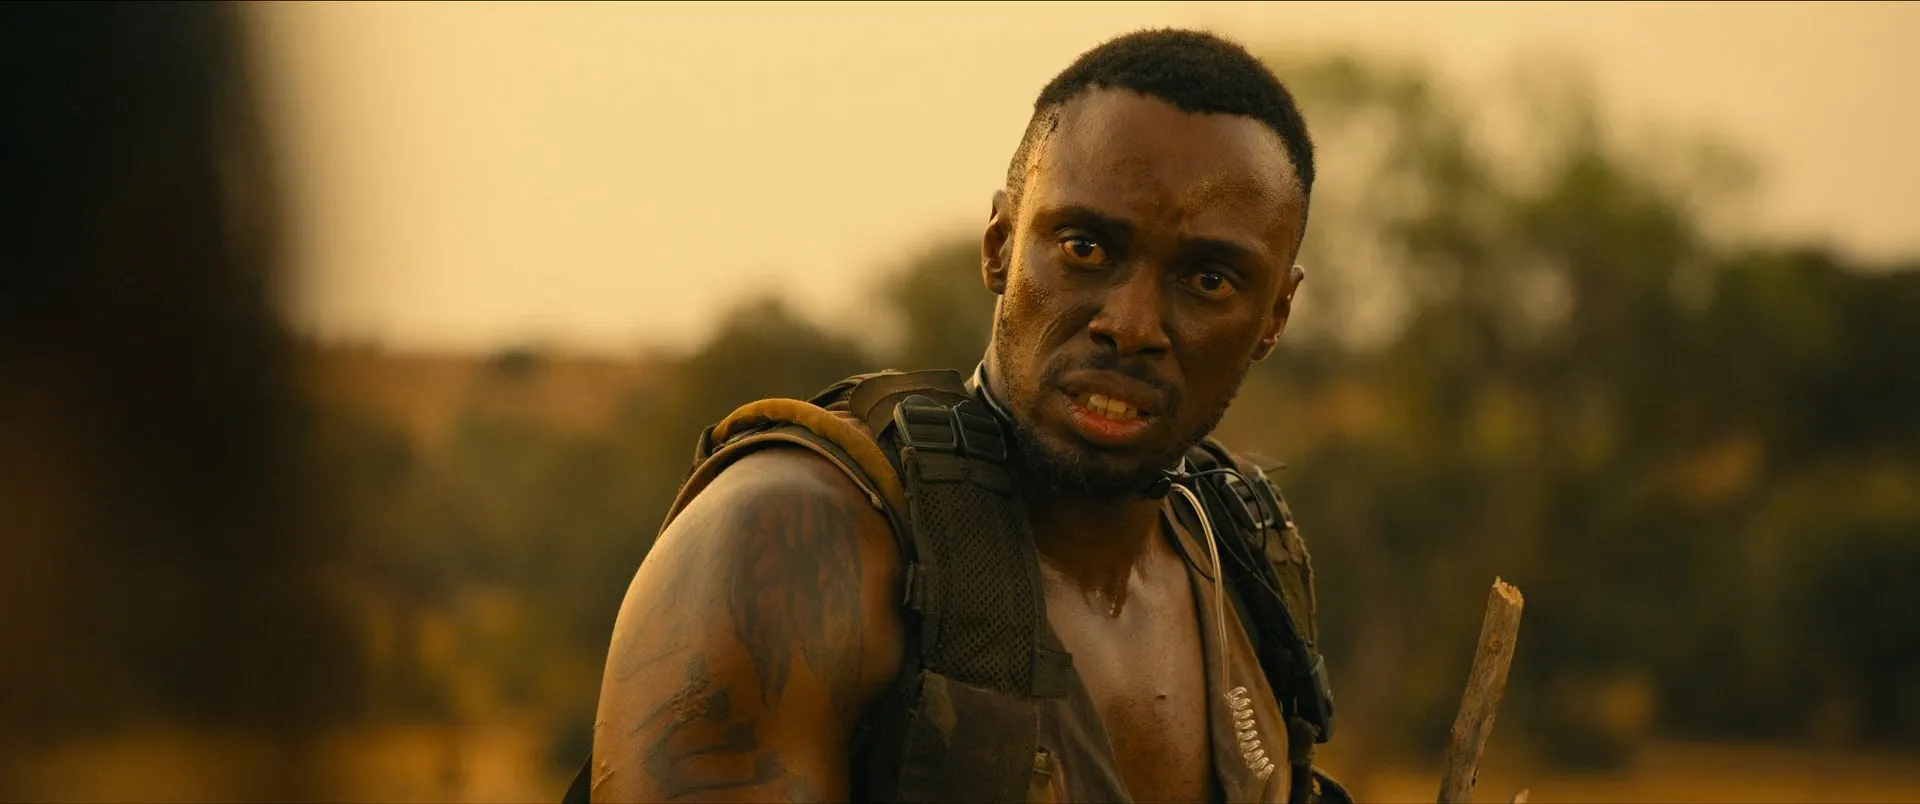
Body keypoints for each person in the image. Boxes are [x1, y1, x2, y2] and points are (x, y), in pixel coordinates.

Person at [579, 28, 1348, 804]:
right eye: (1085, 248)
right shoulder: (793, 545)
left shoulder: (1244, 562)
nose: (1132, 325)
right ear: (1000, 244)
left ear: (1275, 316)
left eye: (1210, 281)